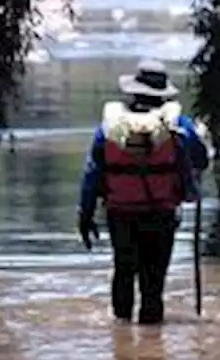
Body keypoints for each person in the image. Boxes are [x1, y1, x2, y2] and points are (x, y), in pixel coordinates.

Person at [78, 59, 210, 325]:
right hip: (161, 213)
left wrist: (85, 214)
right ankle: (153, 343)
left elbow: (93, 173)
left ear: (134, 91)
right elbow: (201, 160)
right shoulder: (178, 126)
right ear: (163, 95)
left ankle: (121, 337)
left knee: (123, 272)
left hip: (120, 212)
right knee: (153, 282)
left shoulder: (111, 127)